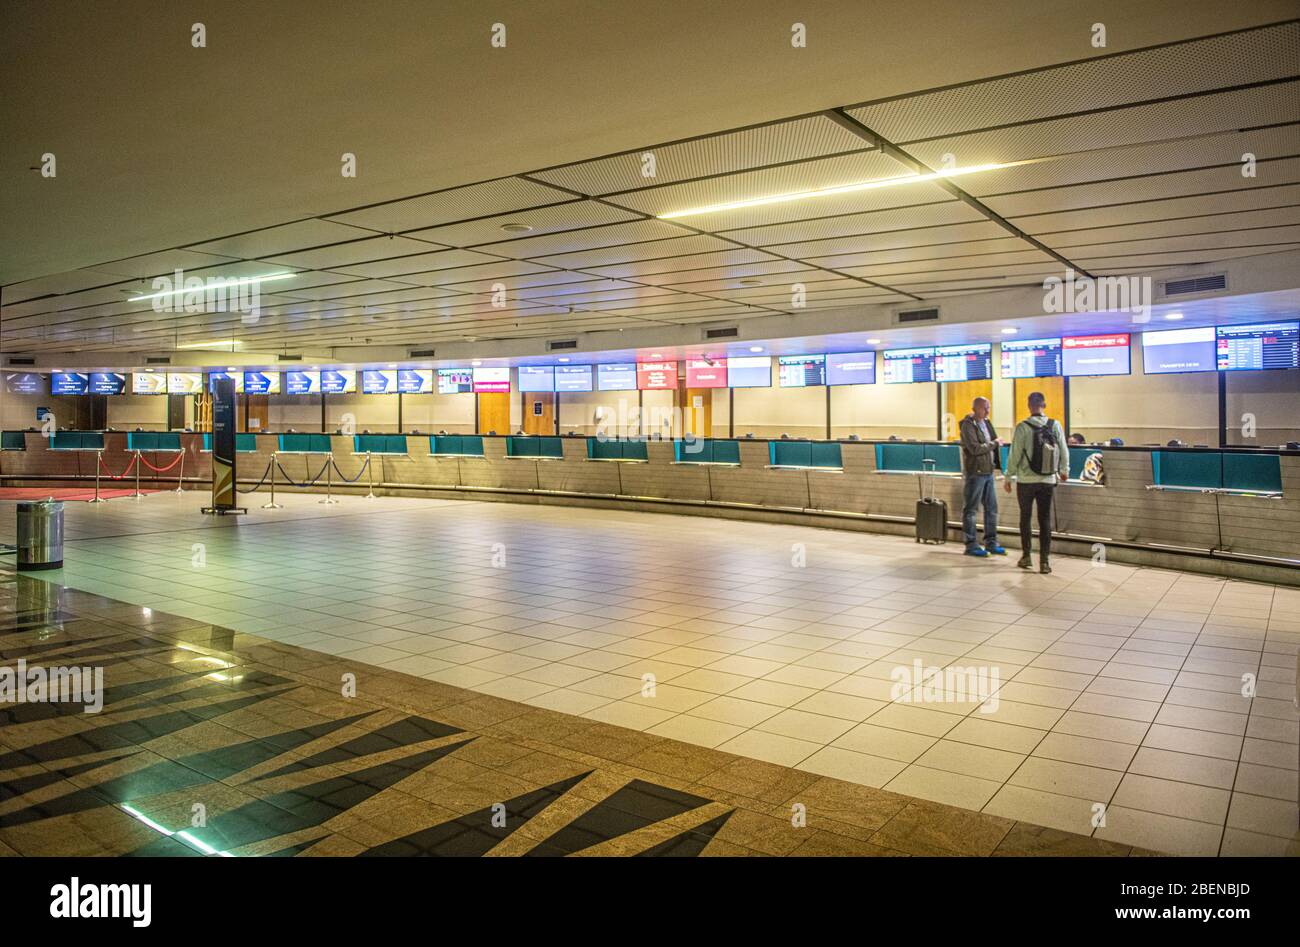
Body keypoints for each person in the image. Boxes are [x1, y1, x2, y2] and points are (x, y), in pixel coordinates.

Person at [1004, 391, 1069, 574]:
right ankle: (1045, 562)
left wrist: (1009, 476)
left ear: (1029, 405)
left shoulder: (1022, 427)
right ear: (1044, 405)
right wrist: (1064, 471)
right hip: (1047, 480)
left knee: (1025, 518)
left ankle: (1026, 556)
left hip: (1025, 481)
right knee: (1045, 519)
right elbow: (1063, 450)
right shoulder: (1055, 425)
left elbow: (1015, 454)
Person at [958, 396, 1005, 558]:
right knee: (971, 509)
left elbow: (991, 443)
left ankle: (991, 542)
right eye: (985, 407)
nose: (987, 410)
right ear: (975, 408)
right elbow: (974, 448)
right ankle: (970, 544)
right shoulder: (968, 425)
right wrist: (995, 443)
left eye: (989, 407)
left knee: (992, 509)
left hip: (988, 471)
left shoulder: (986, 423)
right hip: (975, 473)